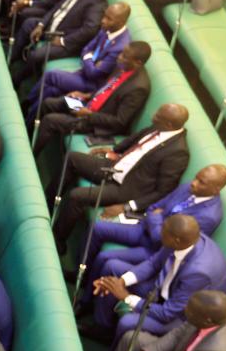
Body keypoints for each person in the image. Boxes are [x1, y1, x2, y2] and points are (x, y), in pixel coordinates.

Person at [51, 103, 192, 247]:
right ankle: (49, 202)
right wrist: (114, 150)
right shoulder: (159, 126)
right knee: (72, 158)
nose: (153, 116)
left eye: (158, 116)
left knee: (77, 196)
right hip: (115, 167)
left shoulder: (178, 152)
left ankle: (57, 240)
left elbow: (163, 191)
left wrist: (126, 207)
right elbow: (135, 140)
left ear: (169, 124)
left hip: (125, 188)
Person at [82, 164, 226, 285]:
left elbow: (164, 241)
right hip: (142, 229)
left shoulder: (209, 216)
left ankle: (85, 300)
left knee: (105, 257)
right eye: (196, 177)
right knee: (97, 227)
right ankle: (81, 273)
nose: (193, 182)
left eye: (201, 182)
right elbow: (153, 208)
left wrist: (157, 218)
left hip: (156, 251)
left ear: (216, 189)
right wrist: (156, 218)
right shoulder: (187, 188)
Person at [90, 213, 226, 339]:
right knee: (113, 269)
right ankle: (102, 327)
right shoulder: (182, 240)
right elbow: (153, 264)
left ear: (176, 240)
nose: (159, 233)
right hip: (163, 287)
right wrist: (121, 282)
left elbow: (167, 313)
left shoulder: (199, 273)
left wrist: (126, 297)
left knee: (128, 322)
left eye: (163, 232)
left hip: (179, 315)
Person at [31, 42, 151, 154]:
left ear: (138, 63)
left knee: (50, 120)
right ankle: (28, 134)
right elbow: (105, 90)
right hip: (87, 106)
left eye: (125, 56)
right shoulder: (123, 66)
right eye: (122, 53)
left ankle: (32, 153)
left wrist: (88, 114)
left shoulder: (138, 88)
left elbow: (119, 121)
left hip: (95, 123)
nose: (119, 57)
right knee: (48, 103)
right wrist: (85, 95)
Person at [24, 2, 130, 116]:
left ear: (121, 22)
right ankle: (29, 120)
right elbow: (86, 49)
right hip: (82, 74)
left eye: (109, 19)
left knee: (51, 76)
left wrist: (88, 58)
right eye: (104, 15)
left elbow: (93, 74)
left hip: (91, 86)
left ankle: (26, 103)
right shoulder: (107, 27)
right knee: (51, 91)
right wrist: (90, 58)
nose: (103, 20)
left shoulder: (120, 47)